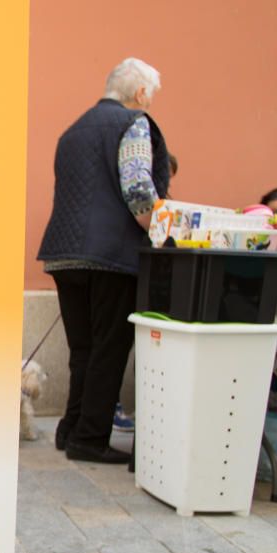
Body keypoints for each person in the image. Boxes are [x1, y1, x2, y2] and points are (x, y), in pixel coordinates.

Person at [37, 57, 171, 464]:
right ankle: (89, 440)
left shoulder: (72, 131)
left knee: (83, 349)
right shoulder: (134, 122)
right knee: (109, 348)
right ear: (142, 93)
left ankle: (69, 429)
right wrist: (164, 233)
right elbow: (137, 190)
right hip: (111, 253)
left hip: (63, 252)